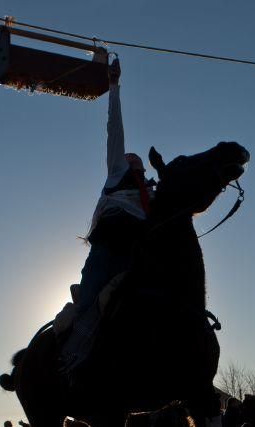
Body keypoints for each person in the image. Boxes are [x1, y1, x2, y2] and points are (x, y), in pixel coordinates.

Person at [55, 58, 154, 338]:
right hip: (106, 249)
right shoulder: (117, 172)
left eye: (133, 158)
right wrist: (113, 85)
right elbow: (115, 129)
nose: (127, 156)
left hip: (136, 253)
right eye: (125, 156)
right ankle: (68, 349)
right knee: (88, 305)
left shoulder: (153, 193)